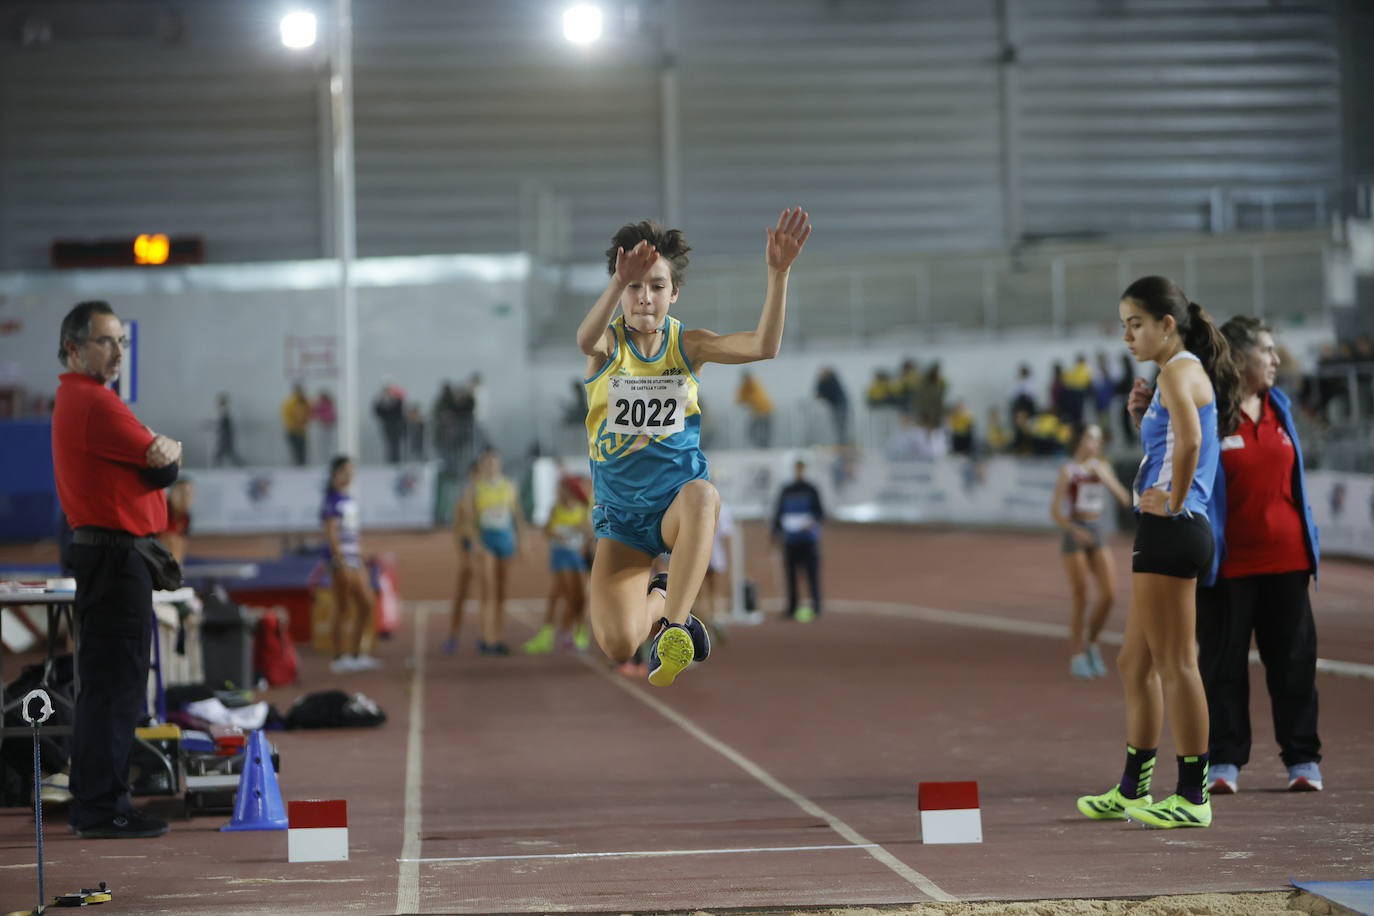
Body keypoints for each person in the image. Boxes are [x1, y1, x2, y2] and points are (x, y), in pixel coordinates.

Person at [577, 209, 811, 686]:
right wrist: (616, 282)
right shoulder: (607, 346)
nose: (645, 298)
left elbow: (764, 346)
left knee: (704, 494)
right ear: (620, 289)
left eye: (657, 286)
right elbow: (585, 336)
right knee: (619, 643)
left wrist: (778, 273)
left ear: (674, 293)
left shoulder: (690, 347)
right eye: (634, 286)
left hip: (675, 508)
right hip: (621, 520)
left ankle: (675, 627)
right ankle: (661, 595)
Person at [1077, 276, 1239, 830]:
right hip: (1167, 528)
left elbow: (1192, 442)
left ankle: (1194, 795)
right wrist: (1141, 417)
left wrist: (1171, 500)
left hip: (1175, 528)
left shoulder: (1177, 369)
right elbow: (1175, 442)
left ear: (1166, 324)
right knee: (1135, 662)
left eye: (1135, 323)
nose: (1127, 335)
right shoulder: (1172, 375)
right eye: (1123, 324)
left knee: (1177, 663)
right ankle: (1132, 789)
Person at [52, 299, 181, 839]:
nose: (116, 352)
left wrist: (161, 461)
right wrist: (169, 450)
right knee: (117, 686)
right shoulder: (98, 404)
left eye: (121, 342)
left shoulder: (78, 400)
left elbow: (154, 472)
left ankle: (96, 801)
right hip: (114, 556)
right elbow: (162, 463)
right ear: (73, 348)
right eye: (104, 341)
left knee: (106, 684)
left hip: (104, 554)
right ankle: (105, 807)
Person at [1184, 317, 1322, 794]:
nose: (1276, 359)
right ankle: (1224, 761)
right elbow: (1176, 455)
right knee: (1223, 668)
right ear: (1240, 358)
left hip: (1289, 560)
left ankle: (1302, 759)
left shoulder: (1280, 407)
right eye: (1267, 350)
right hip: (1229, 567)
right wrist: (1143, 420)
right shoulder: (1210, 414)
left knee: (1295, 663)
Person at [1050, 424, 1130, 679]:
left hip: (1096, 531)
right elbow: (1054, 510)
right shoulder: (1069, 471)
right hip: (1075, 532)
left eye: (1097, 439)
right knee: (1081, 595)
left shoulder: (1102, 468)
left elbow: (1125, 500)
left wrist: (1106, 478)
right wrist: (1073, 529)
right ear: (1079, 441)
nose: (1093, 444)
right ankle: (1077, 655)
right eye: (1089, 438)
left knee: (1109, 595)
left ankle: (1091, 642)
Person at [464, 447, 527, 655]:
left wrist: (522, 541)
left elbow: (517, 515)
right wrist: (476, 544)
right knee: (487, 590)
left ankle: (498, 637)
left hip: (505, 540)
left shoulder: (509, 486)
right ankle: (486, 637)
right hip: (486, 541)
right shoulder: (475, 488)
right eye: (486, 463)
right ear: (482, 465)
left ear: (499, 465)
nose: (490, 466)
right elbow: (470, 521)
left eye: (494, 462)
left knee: (501, 592)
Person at [321, 455, 380, 673]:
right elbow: (331, 534)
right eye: (344, 471)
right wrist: (340, 560)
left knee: (367, 603)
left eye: (351, 471)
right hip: (341, 562)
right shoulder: (331, 500)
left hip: (355, 560)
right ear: (335, 475)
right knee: (343, 607)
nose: (349, 475)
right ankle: (338, 657)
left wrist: (362, 557)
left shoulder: (350, 500)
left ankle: (356, 654)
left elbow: (354, 534)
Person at [524, 476, 593, 654]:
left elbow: (589, 534)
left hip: (577, 556)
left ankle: (574, 629)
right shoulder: (556, 509)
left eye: (561, 488)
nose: (559, 492)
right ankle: (566, 631)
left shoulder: (582, 508)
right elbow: (547, 531)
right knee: (568, 593)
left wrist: (582, 534)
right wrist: (558, 535)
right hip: (560, 556)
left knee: (577, 596)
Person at [772, 458, 825, 622]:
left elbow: (820, 513)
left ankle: (816, 606)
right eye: (797, 469)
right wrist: (776, 533)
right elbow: (778, 513)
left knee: (812, 574)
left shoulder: (811, 489)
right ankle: (792, 606)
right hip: (791, 540)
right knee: (791, 576)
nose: (799, 472)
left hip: (809, 539)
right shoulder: (786, 489)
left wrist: (811, 523)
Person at [442, 461, 482, 655]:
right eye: (477, 474)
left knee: (487, 596)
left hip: (488, 550)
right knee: (462, 594)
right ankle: (453, 635)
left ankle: (487, 637)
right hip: (469, 552)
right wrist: (463, 556)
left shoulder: (492, 495)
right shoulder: (464, 498)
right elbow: (458, 529)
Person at [159, 478, 195, 567]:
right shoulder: (161, 510)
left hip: (172, 564)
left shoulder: (186, 517)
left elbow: (183, 543)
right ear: (172, 493)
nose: (186, 498)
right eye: (182, 493)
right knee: (172, 540)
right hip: (155, 558)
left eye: (190, 495)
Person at [736, 369, 774, 449]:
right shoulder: (750, 385)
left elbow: (746, 398)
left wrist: (745, 400)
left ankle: (764, 446)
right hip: (760, 412)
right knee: (756, 431)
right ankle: (762, 446)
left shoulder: (753, 384)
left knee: (762, 430)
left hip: (764, 411)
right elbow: (740, 398)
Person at [373, 382, 406, 465]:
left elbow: (400, 411)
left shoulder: (397, 399)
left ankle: (397, 461)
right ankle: (390, 461)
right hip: (387, 424)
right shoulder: (381, 400)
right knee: (388, 443)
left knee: (396, 443)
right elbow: (377, 411)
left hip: (396, 425)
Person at [815, 366, 850, 444]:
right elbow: (818, 392)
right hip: (834, 405)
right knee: (836, 423)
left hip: (840, 405)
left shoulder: (832, 381)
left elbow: (829, 393)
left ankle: (842, 441)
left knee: (840, 423)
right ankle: (839, 441)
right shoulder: (825, 382)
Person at [281, 382, 311, 467]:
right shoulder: (290, 402)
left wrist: (304, 422)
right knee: (295, 451)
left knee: (302, 451)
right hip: (292, 430)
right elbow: (286, 416)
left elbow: (309, 413)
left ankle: (302, 466)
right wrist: (296, 423)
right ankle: (297, 466)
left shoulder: (305, 401)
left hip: (301, 431)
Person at [212, 392, 243, 466]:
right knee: (227, 453)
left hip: (226, 436)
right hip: (225, 436)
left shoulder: (225, 411)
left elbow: (225, 424)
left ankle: (241, 466)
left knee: (225, 453)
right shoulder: (224, 411)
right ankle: (241, 466)